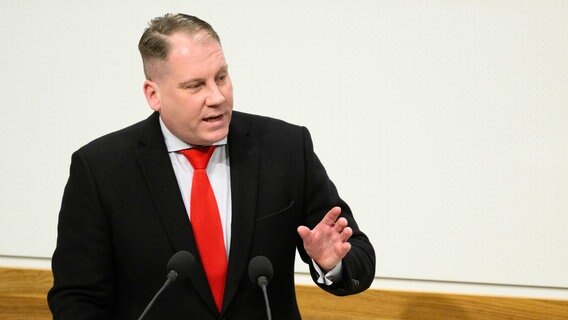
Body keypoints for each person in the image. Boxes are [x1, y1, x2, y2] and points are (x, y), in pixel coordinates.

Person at [48, 13, 375, 320]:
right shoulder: (102, 169)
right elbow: (77, 297)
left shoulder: (285, 148)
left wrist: (331, 263)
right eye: (195, 86)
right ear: (154, 94)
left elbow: (358, 255)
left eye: (221, 77)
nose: (217, 97)